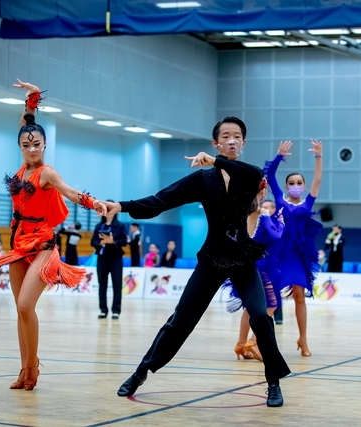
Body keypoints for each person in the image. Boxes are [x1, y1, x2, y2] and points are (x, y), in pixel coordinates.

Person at [105, 116, 290, 407]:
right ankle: (141, 372)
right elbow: (161, 200)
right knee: (180, 321)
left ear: (243, 142)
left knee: (260, 316)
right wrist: (121, 206)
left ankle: (273, 383)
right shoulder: (201, 180)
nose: (231, 140)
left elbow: (253, 173)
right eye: (225, 136)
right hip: (212, 258)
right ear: (216, 142)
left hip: (242, 258)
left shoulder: (250, 174)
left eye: (237, 136)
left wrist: (215, 161)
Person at [0, 79, 106, 391]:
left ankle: (34, 365)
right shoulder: (22, 170)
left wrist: (95, 203)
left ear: (44, 145)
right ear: (20, 146)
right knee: (20, 311)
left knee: (26, 305)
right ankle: (24, 369)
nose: (31, 149)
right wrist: (31, 99)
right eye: (26, 145)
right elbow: (26, 125)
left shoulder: (46, 173)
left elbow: (70, 193)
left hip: (42, 244)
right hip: (18, 244)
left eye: (37, 144)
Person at [265, 139, 324, 357]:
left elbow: (318, 179)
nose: (296, 185)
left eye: (299, 182)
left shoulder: (308, 203)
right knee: (271, 298)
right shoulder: (279, 200)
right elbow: (270, 175)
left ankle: (303, 339)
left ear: (304, 186)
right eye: (292, 182)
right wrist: (279, 156)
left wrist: (318, 155)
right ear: (287, 186)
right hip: (278, 253)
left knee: (299, 295)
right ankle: (256, 340)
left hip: (297, 255)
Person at [226, 181, 284, 362]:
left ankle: (241, 343)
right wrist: (276, 220)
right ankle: (252, 341)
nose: (268, 209)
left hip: (261, 265)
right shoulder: (263, 218)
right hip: (263, 267)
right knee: (271, 305)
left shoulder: (257, 215)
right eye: (266, 206)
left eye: (270, 207)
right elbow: (276, 236)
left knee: (250, 308)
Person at [92, 207, 127, 320]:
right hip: (102, 258)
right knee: (102, 284)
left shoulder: (120, 225)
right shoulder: (99, 226)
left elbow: (124, 241)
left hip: (116, 258)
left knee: (117, 284)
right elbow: (93, 242)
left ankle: (116, 310)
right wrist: (102, 241)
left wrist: (113, 241)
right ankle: (103, 310)